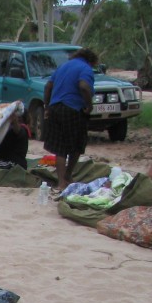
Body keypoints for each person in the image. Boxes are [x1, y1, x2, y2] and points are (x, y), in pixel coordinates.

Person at [43, 48, 99, 194]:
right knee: (76, 144)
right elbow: (84, 86)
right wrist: (89, 105)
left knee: (60, 148)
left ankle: (61, 182)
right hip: (73, 108)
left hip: (55, 108)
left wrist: (47, 106)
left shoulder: (63, 66)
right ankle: (68, 175)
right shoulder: (85, 68)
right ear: (91, 61)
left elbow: (48, 86)